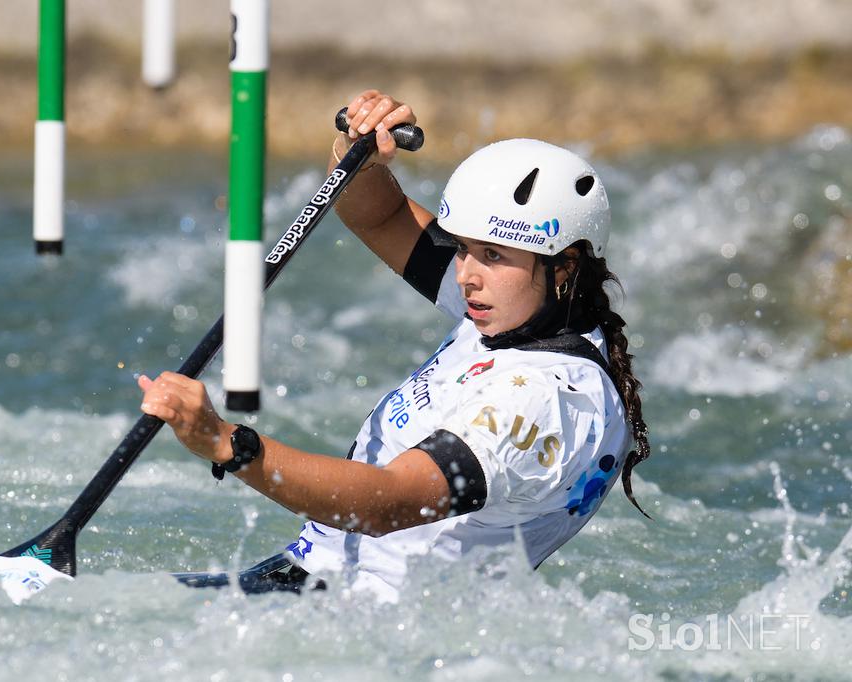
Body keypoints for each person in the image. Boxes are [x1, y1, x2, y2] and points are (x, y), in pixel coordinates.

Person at [138, 90, 651, 602]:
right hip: (315, 580)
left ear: (565, 267)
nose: (466, 275)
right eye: (462, 248)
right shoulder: (515, 307)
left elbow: (386, 504)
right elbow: (379, 217)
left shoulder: (546, 398)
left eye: (491, 254)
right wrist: (358, 155)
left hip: (369, 621)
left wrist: (227, 443)